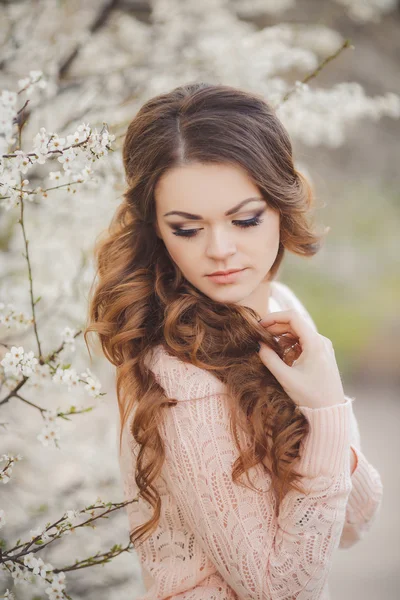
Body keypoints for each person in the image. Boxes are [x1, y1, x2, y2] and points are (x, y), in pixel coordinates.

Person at [85, 82, 383, 599]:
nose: (221, 250)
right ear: (156, 229)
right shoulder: (181, 378)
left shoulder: (283, 308)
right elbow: (278, 589)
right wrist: (327, 413)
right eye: (187, 229)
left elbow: (357, 521)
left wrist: (321, 413)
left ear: (282, 204)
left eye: (245, 220)